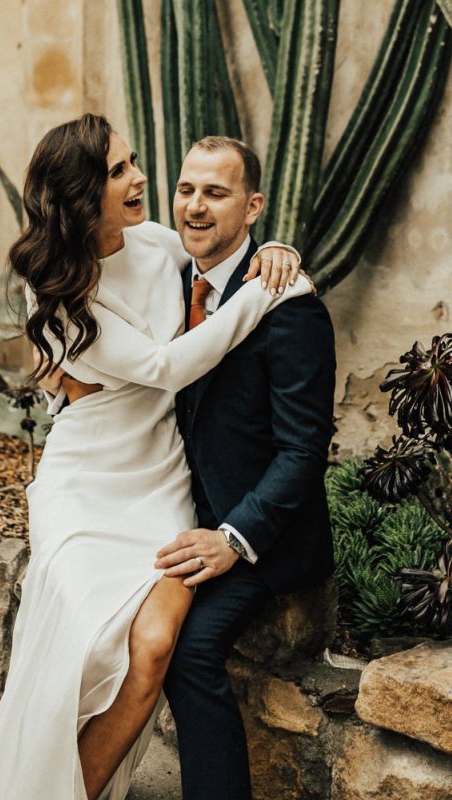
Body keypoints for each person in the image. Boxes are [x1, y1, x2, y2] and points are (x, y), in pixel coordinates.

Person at [0, 114, 310, 800]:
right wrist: (271, 293)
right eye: (120, 171)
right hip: (86, 482)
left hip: (159, 480)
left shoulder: (155, 241)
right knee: (81, 651)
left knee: (152, 647)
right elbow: (162, 365)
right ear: (80, 194)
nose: (141, 180)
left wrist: (273, 248)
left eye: (132, 163)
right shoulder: (65, 293)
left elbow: (217, 251)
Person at [155, 136, 336, 799]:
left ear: (253, 205)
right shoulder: (167, 281)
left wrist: (233, 540)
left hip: (265, 535)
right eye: (186, 189)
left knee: (189, 648)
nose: (195, 208)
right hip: (173, 508)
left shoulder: (290, 304)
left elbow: (302, 452)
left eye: (216, 192)